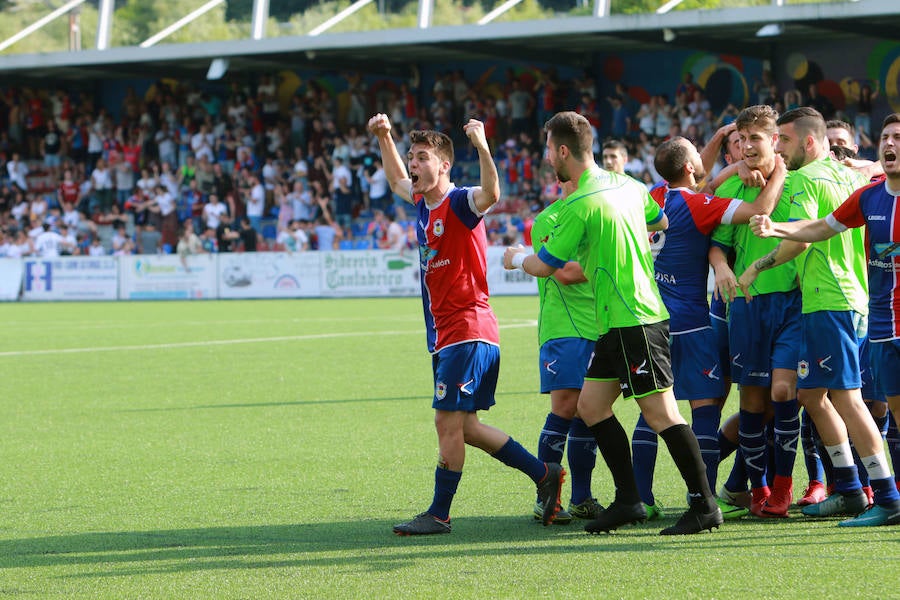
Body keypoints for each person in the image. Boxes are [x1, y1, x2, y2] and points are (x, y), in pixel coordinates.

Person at [504, 111, 722, 536]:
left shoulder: (579, 204)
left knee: (662, 414)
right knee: (591, 406)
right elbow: (660, 222)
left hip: (633, 319)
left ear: (563, 150)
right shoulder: (630, 185)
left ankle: (704, 504)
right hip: (619, 320)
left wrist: (512, 257)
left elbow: (545, 266)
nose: (548, 155)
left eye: (549, 148)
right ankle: (629, 500)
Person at [367, 112, 564, 536]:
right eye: (411, 157)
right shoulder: (422, 204)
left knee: (446, 422)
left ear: (444, 166)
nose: (414, 164)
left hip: (467, 329)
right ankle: (544, 474)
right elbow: (397, 182)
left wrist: (482, 145)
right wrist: (385, 137)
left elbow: (492, 192)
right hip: (448, 335)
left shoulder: (459, 202)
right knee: (467, 427)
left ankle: (439, 513)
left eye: (422, 157)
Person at [746, 111, 900, 527]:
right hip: (850, 298)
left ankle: (885, 495)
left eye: (784, 140)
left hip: (830, 301)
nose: (778, 148)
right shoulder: (847, 176)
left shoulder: (805, 179)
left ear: (809, 143)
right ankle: (849, 489)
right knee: (811, 395)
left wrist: (759, 262)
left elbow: (803, 235)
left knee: (848, 398)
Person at [630, 135, 784, 522]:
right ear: (688, 167)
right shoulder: (700, 205)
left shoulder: (651, 197)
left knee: (650, 410)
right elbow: (759, 208)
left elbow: (702, 179)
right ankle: (703, 497)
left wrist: (727, 155)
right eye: (696, 153)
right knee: (705, 409)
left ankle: (642, 498)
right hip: (691, 323)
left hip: (650, 321)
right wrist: (779, 166)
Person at [708, 105, 801, 518]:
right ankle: (757, 488)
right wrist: (721, 265)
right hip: (744, 306)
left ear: (775, 141)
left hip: (793, 301)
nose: (746, 146)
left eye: (755, 138)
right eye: (741, 139)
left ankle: (783, 486)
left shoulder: (796, 183)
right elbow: (718, 244)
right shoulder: (732, 189)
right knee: (751, 399)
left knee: (783, 393)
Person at [528, 176, 603, 525]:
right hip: (565, 327)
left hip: (602, 323)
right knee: (565, 407)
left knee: (589, 411)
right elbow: (566, 273)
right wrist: (608, 261)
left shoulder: (598, 214)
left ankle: (582, 498)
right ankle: (547, 497)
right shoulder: (550, 219)